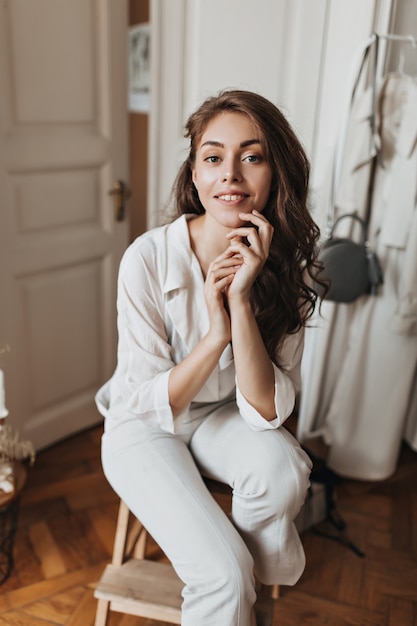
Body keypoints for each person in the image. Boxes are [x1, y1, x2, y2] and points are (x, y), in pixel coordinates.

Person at [96, 89, 324, 626]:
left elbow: (268, 414)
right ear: (195, 175)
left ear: (275, 173)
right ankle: (234, 579)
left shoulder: (292, 268)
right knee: (222, 574)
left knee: (284, 469)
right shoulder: (147, 259)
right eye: (214, 157)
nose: (232, 175)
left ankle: (250, 573)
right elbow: (155, 400)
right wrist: (216, 333)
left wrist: (241, 300)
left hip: (222, 415)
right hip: (145, 425)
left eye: (252, 156)